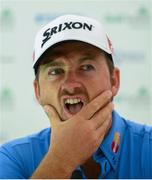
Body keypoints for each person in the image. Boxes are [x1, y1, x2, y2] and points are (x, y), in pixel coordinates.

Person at [0, 14, 152, 179]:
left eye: (86, 67)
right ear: (38, 91)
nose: (71, 85)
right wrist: (61, 160)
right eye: (55, 71)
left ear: (114, 81)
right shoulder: (11, 158)